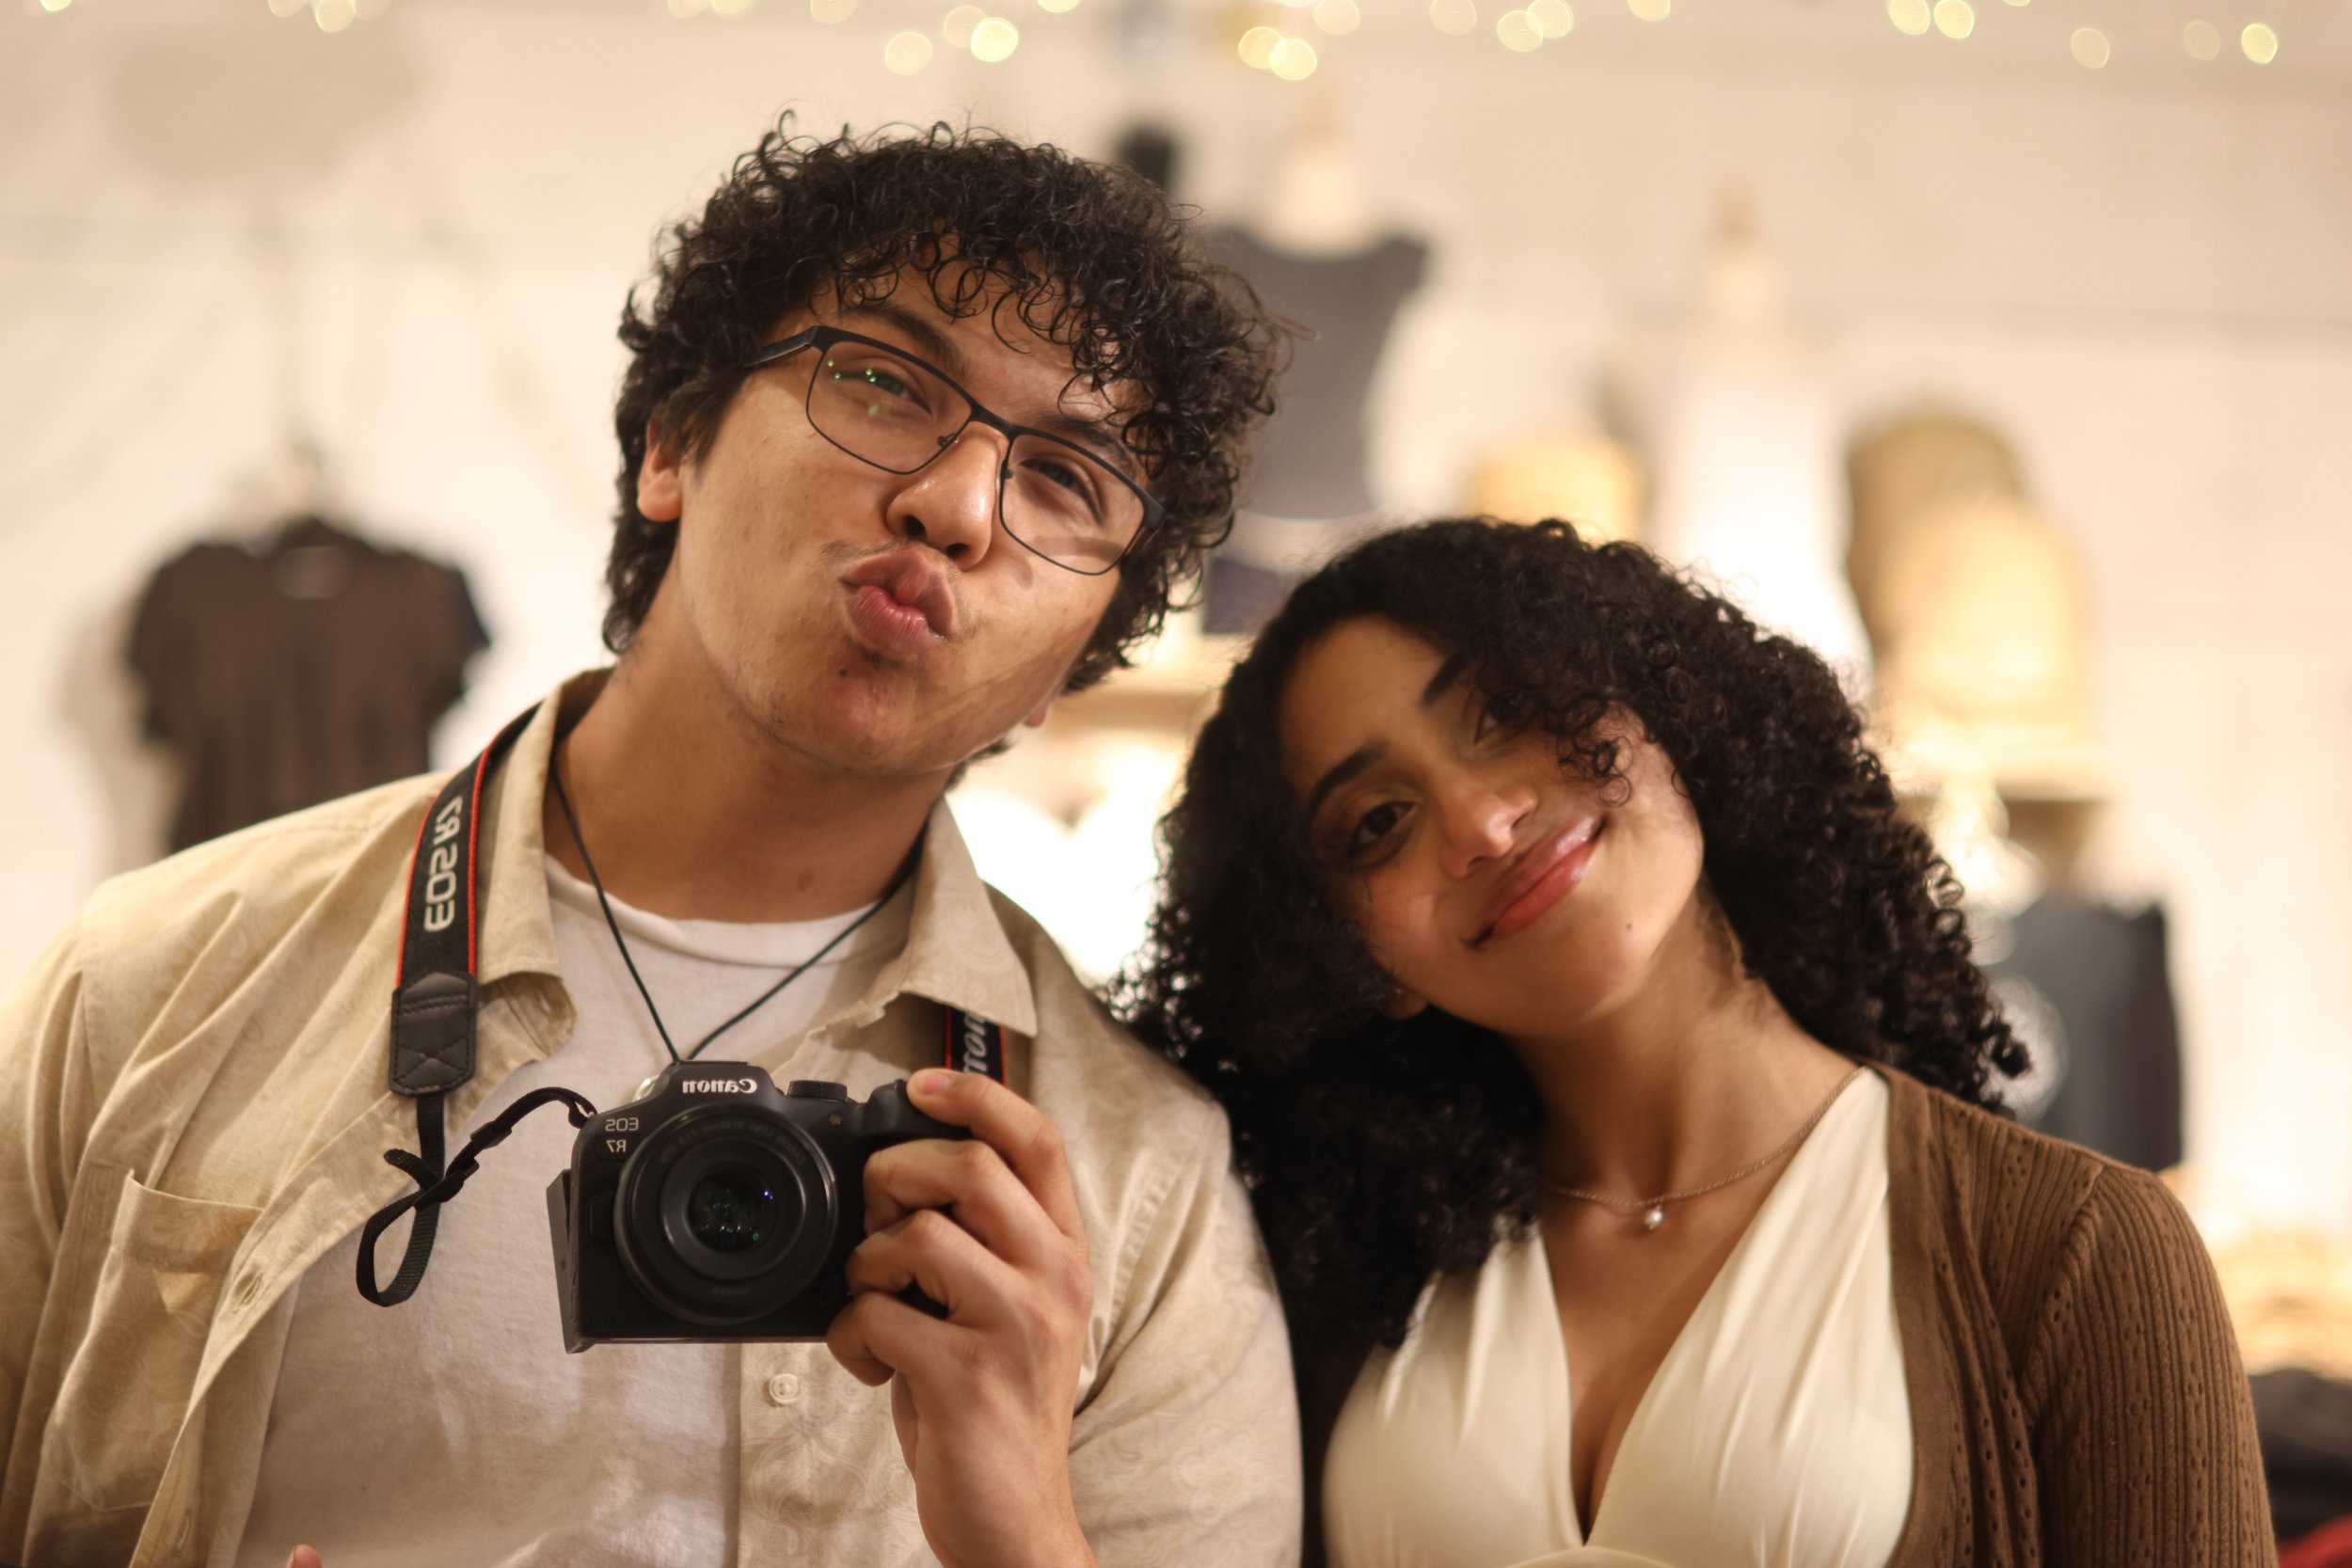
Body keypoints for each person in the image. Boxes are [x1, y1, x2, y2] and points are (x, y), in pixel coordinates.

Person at [0, 123, 1299, 1568]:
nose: (958, 504)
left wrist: (1027, 1535)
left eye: (1067, 479)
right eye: (883, 380)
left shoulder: (1142, 1181)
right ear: (671, 442)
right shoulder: (157, 984)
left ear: (1078, 660)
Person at [1120, 518, 2273, 1568]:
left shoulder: (2079, 1251)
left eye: (1506, 710)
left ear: (1667, 708)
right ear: (1350, 956)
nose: (1480, 821)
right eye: (1377, 823)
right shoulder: (1340, 1283)